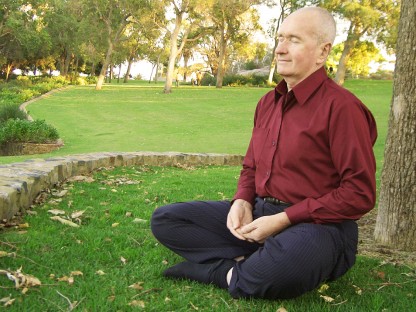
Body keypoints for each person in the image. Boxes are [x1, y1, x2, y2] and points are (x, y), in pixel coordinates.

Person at [151, 7, 377, 300]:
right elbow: (251, 166)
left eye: (293, 40)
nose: (280, 49)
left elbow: (359, 193)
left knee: (292, 261)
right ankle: (253, 261)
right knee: (167, 220)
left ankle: (220, 272)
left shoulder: (342, 108)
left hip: (317, 228)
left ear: (322, 52)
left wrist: (285, 219)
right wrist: (242, 200)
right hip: (261, 214)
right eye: (280, 38)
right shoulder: (267, 104)